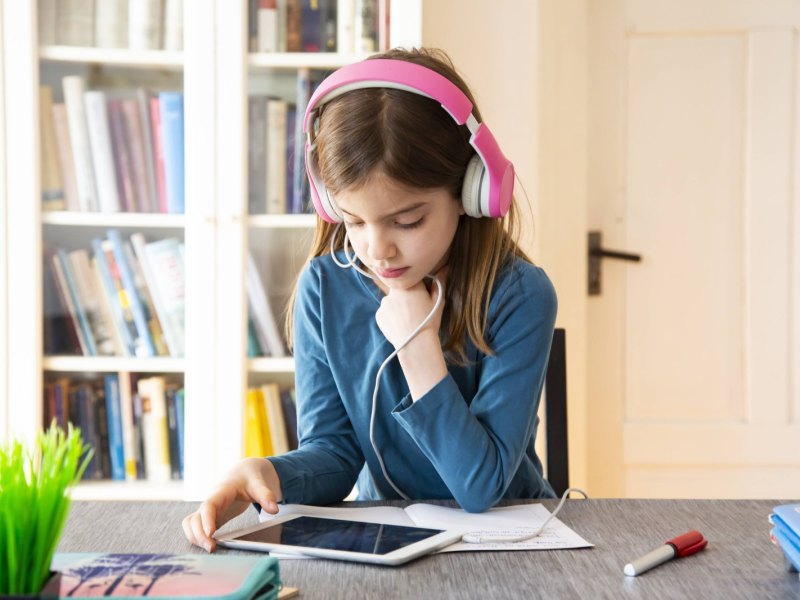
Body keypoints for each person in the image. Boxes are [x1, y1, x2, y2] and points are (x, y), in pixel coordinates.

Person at [183, 47, 557, 553]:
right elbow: (335, 455)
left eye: (407, 221)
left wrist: (417, 347)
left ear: (471, 191)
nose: (378, 250)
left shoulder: (520, 294)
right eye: (355, 221)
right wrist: (267, 471)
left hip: (512, 542)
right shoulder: (325, 287)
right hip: (391, 541)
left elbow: (481, 487)